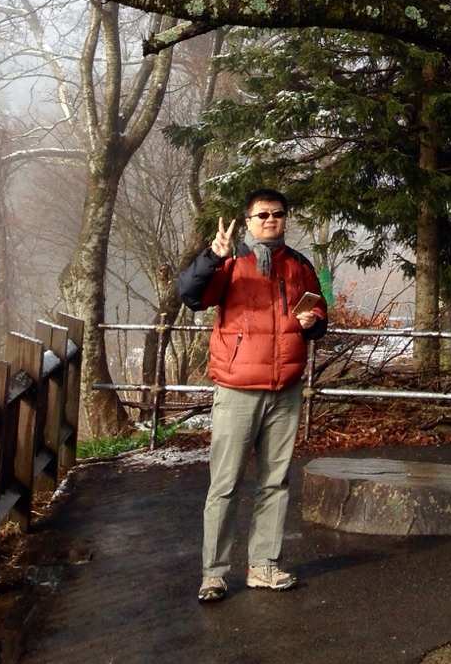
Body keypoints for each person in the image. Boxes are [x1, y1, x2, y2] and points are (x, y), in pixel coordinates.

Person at [178, 187, 327, 603]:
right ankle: (214, 573)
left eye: (277, 214)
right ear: (248, 221)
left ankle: (264, 566)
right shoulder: (229, 263)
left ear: (285, 219)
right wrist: (212, 255)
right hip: (237, 389)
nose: (270, 221)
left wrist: (312, 321)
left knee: (275, 483)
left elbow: (320, 321)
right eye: (261, 215)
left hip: (286, 390)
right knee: (224, 484)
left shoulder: (299, 265)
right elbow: (190, 296)